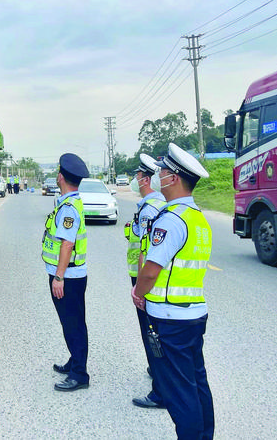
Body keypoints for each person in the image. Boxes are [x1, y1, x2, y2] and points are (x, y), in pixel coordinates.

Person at [132, 143, 214, 439]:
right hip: (193, 313)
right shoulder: (198, 219)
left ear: (174, 179)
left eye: (163, 171)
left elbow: (151, 269)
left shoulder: (171, 220)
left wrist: (139, 293)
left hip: (170, 317)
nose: (158, 176)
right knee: (196, 382)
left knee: (180, 393)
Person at [42, 153, 90, 391]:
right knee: (70, 322)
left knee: (74, 323)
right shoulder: (67, 202)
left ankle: (80, 374)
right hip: (67, 274)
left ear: (60, 177)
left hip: (68, 277)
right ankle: (74, 361)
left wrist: (58, 277)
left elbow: (67, 244)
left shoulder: (69, 208)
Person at [124, 154, 166, 409]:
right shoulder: (154, 204)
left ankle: (160, 391)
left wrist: (140, 286)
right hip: (146, 276)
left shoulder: (150, 207)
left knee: (150, 331)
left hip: (144, 278)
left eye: (138, 176)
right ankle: (157, 369)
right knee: (153, 330)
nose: (135, 180)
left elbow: (146, 249)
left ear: (146, 179)